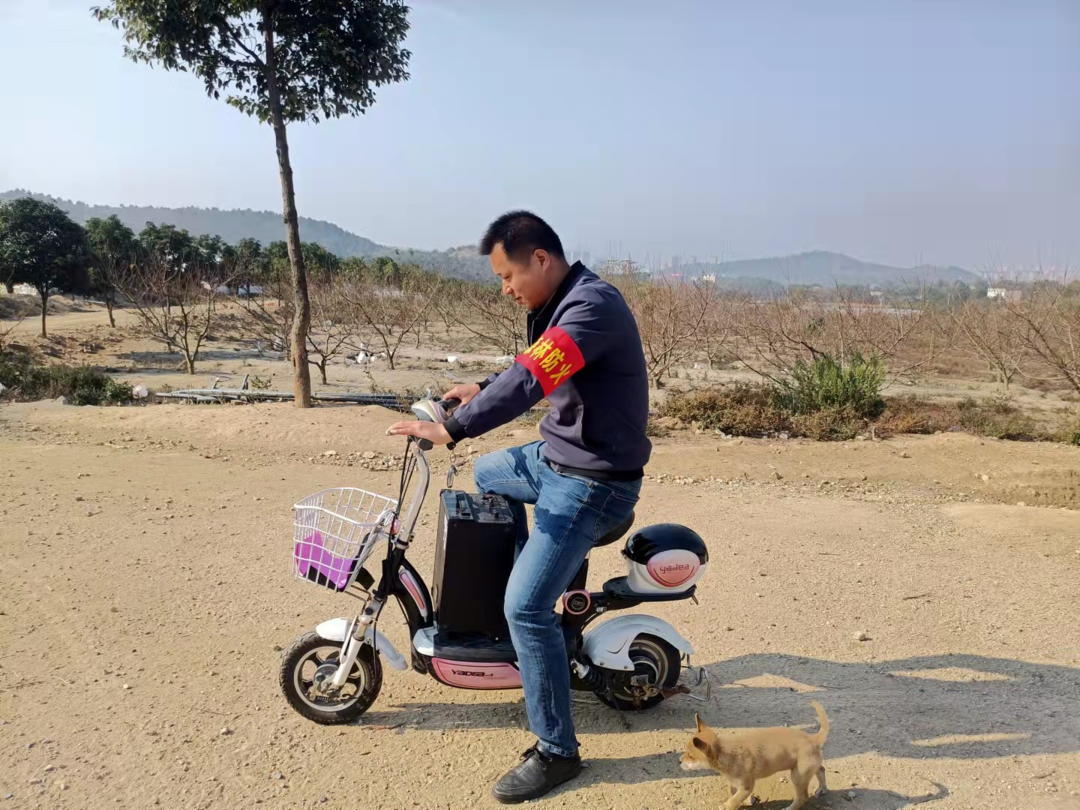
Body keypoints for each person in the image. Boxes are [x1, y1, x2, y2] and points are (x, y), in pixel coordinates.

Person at [387, 211, 651, 804]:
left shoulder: (591, 307)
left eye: (508, 276)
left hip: (592, 482)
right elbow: (529, 365)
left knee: (525, 609)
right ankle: (542, 595)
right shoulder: (559, 304)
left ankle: (558, 752)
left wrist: (453, 427)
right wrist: (482, 388)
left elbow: (533, 375)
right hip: (554, 460)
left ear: (540, 258)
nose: (505, 289)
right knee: (489, 473)